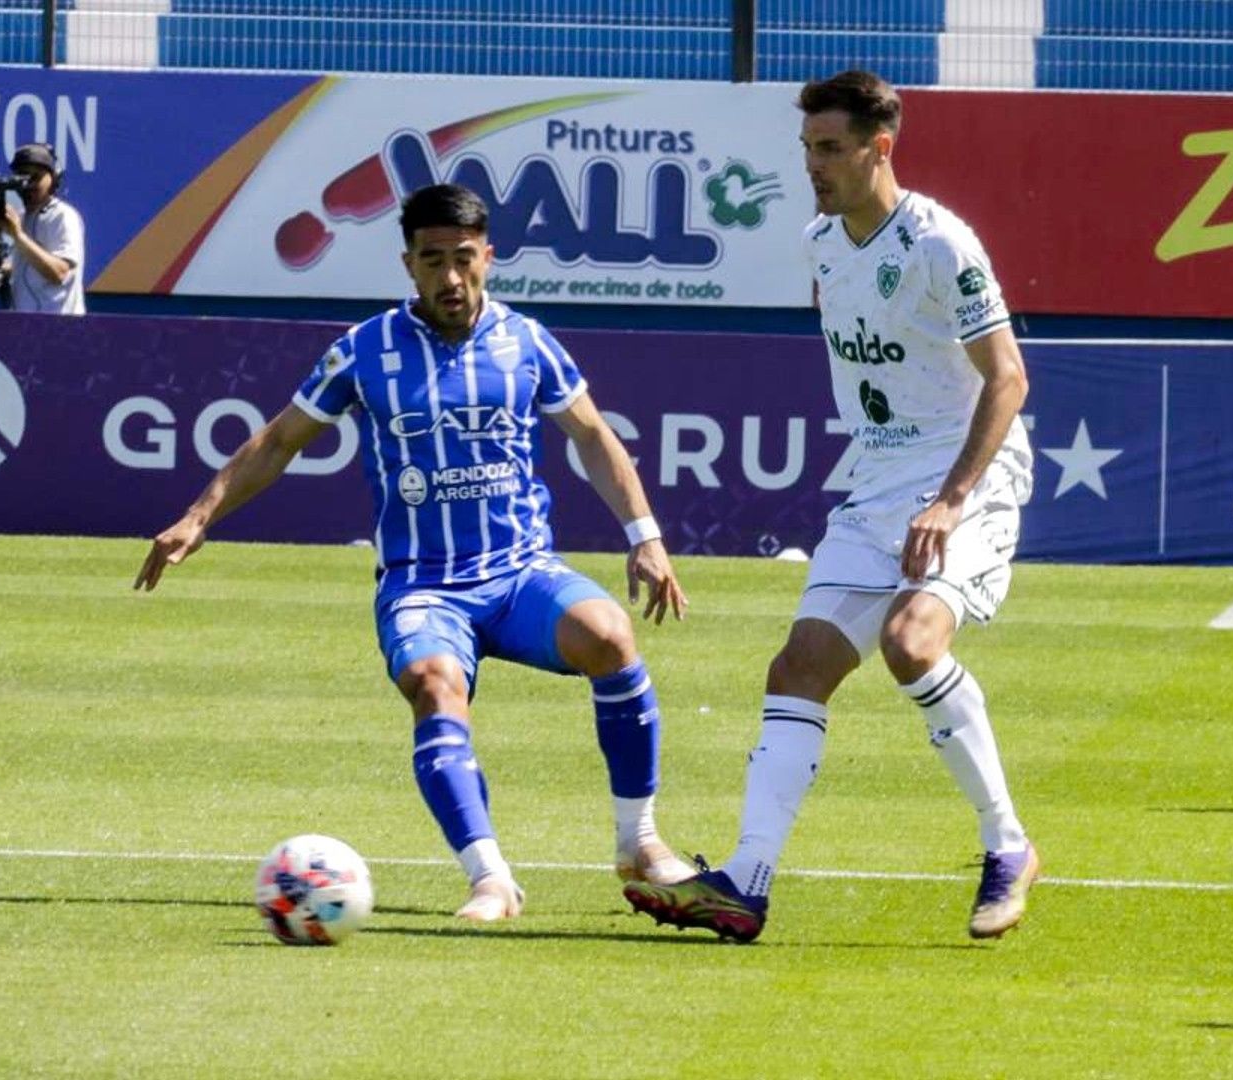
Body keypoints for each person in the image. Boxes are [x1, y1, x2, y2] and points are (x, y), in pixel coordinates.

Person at [134, 183, 695, 922]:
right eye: (434, 261)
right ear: (409, 264)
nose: (451, 278)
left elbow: (591, 435)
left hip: (521, 573)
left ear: (489, 257)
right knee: (434, 685)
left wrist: (645, 537)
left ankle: (640, 842)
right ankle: (490, 877)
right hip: (423, 585)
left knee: (611, 637)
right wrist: (198, 516)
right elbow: (278, 441)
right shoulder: (363, 351)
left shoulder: (526, 341)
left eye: (465, 259)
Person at [624, 70, 1039, 942]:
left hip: (968, 475)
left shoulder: (940, 243)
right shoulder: (821, 240)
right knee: (799, 668)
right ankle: (745, 881)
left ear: (877, 148)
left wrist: (952, 500)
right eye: (806, 147)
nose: (811, 164)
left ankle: (1008, 846)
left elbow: (1008, 378)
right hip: (880, 479)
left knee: (909, 642)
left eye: (828, 148)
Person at [2, 143, 86, 315]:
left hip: (60, 328)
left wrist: (17, 235)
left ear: (53, 178)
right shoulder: (22, 217)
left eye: (36, 177)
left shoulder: (63, 215)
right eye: (23, 178)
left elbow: (60, 272)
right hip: (24, 327)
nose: (29, 184)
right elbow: (30, 269)